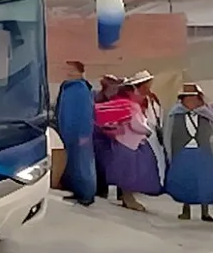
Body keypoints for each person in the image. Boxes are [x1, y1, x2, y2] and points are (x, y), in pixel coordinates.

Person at [95, 80, 163, 211]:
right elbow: (136, 124)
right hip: (132, 145)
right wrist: (149, 131)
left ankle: (127, 198)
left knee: (124, 172)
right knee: (130, 174)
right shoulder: (131, 106)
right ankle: (128, 199)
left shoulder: (119, 105)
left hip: (121, 142)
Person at [165, 83, 213, 221]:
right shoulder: (175, 115)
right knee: (186, 180)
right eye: (187, 99)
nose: (191, 102)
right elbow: (168, 134)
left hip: (203, 151)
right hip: (183, 151)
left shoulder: (207, 115)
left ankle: (205, 211)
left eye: (193, 99)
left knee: (204, 181)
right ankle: (186, 209)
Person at [56, 60, 96, 205]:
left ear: (80, 72)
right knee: (72, 163)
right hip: (67, 132)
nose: (68, 73)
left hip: (80, 133)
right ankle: (76, 190)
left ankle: (87, 194)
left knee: (83, 163)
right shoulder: (67, 88)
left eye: (72, 70)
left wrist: (84, 134)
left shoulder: (81, 89)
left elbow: (86, 114)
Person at [93, 75, 123, 200]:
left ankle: (120, 193)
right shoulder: (99, 99)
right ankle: (102, 191)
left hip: (114, 136)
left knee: (118, 164)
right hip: (101, 137)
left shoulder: (114, 99)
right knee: (102, 164)